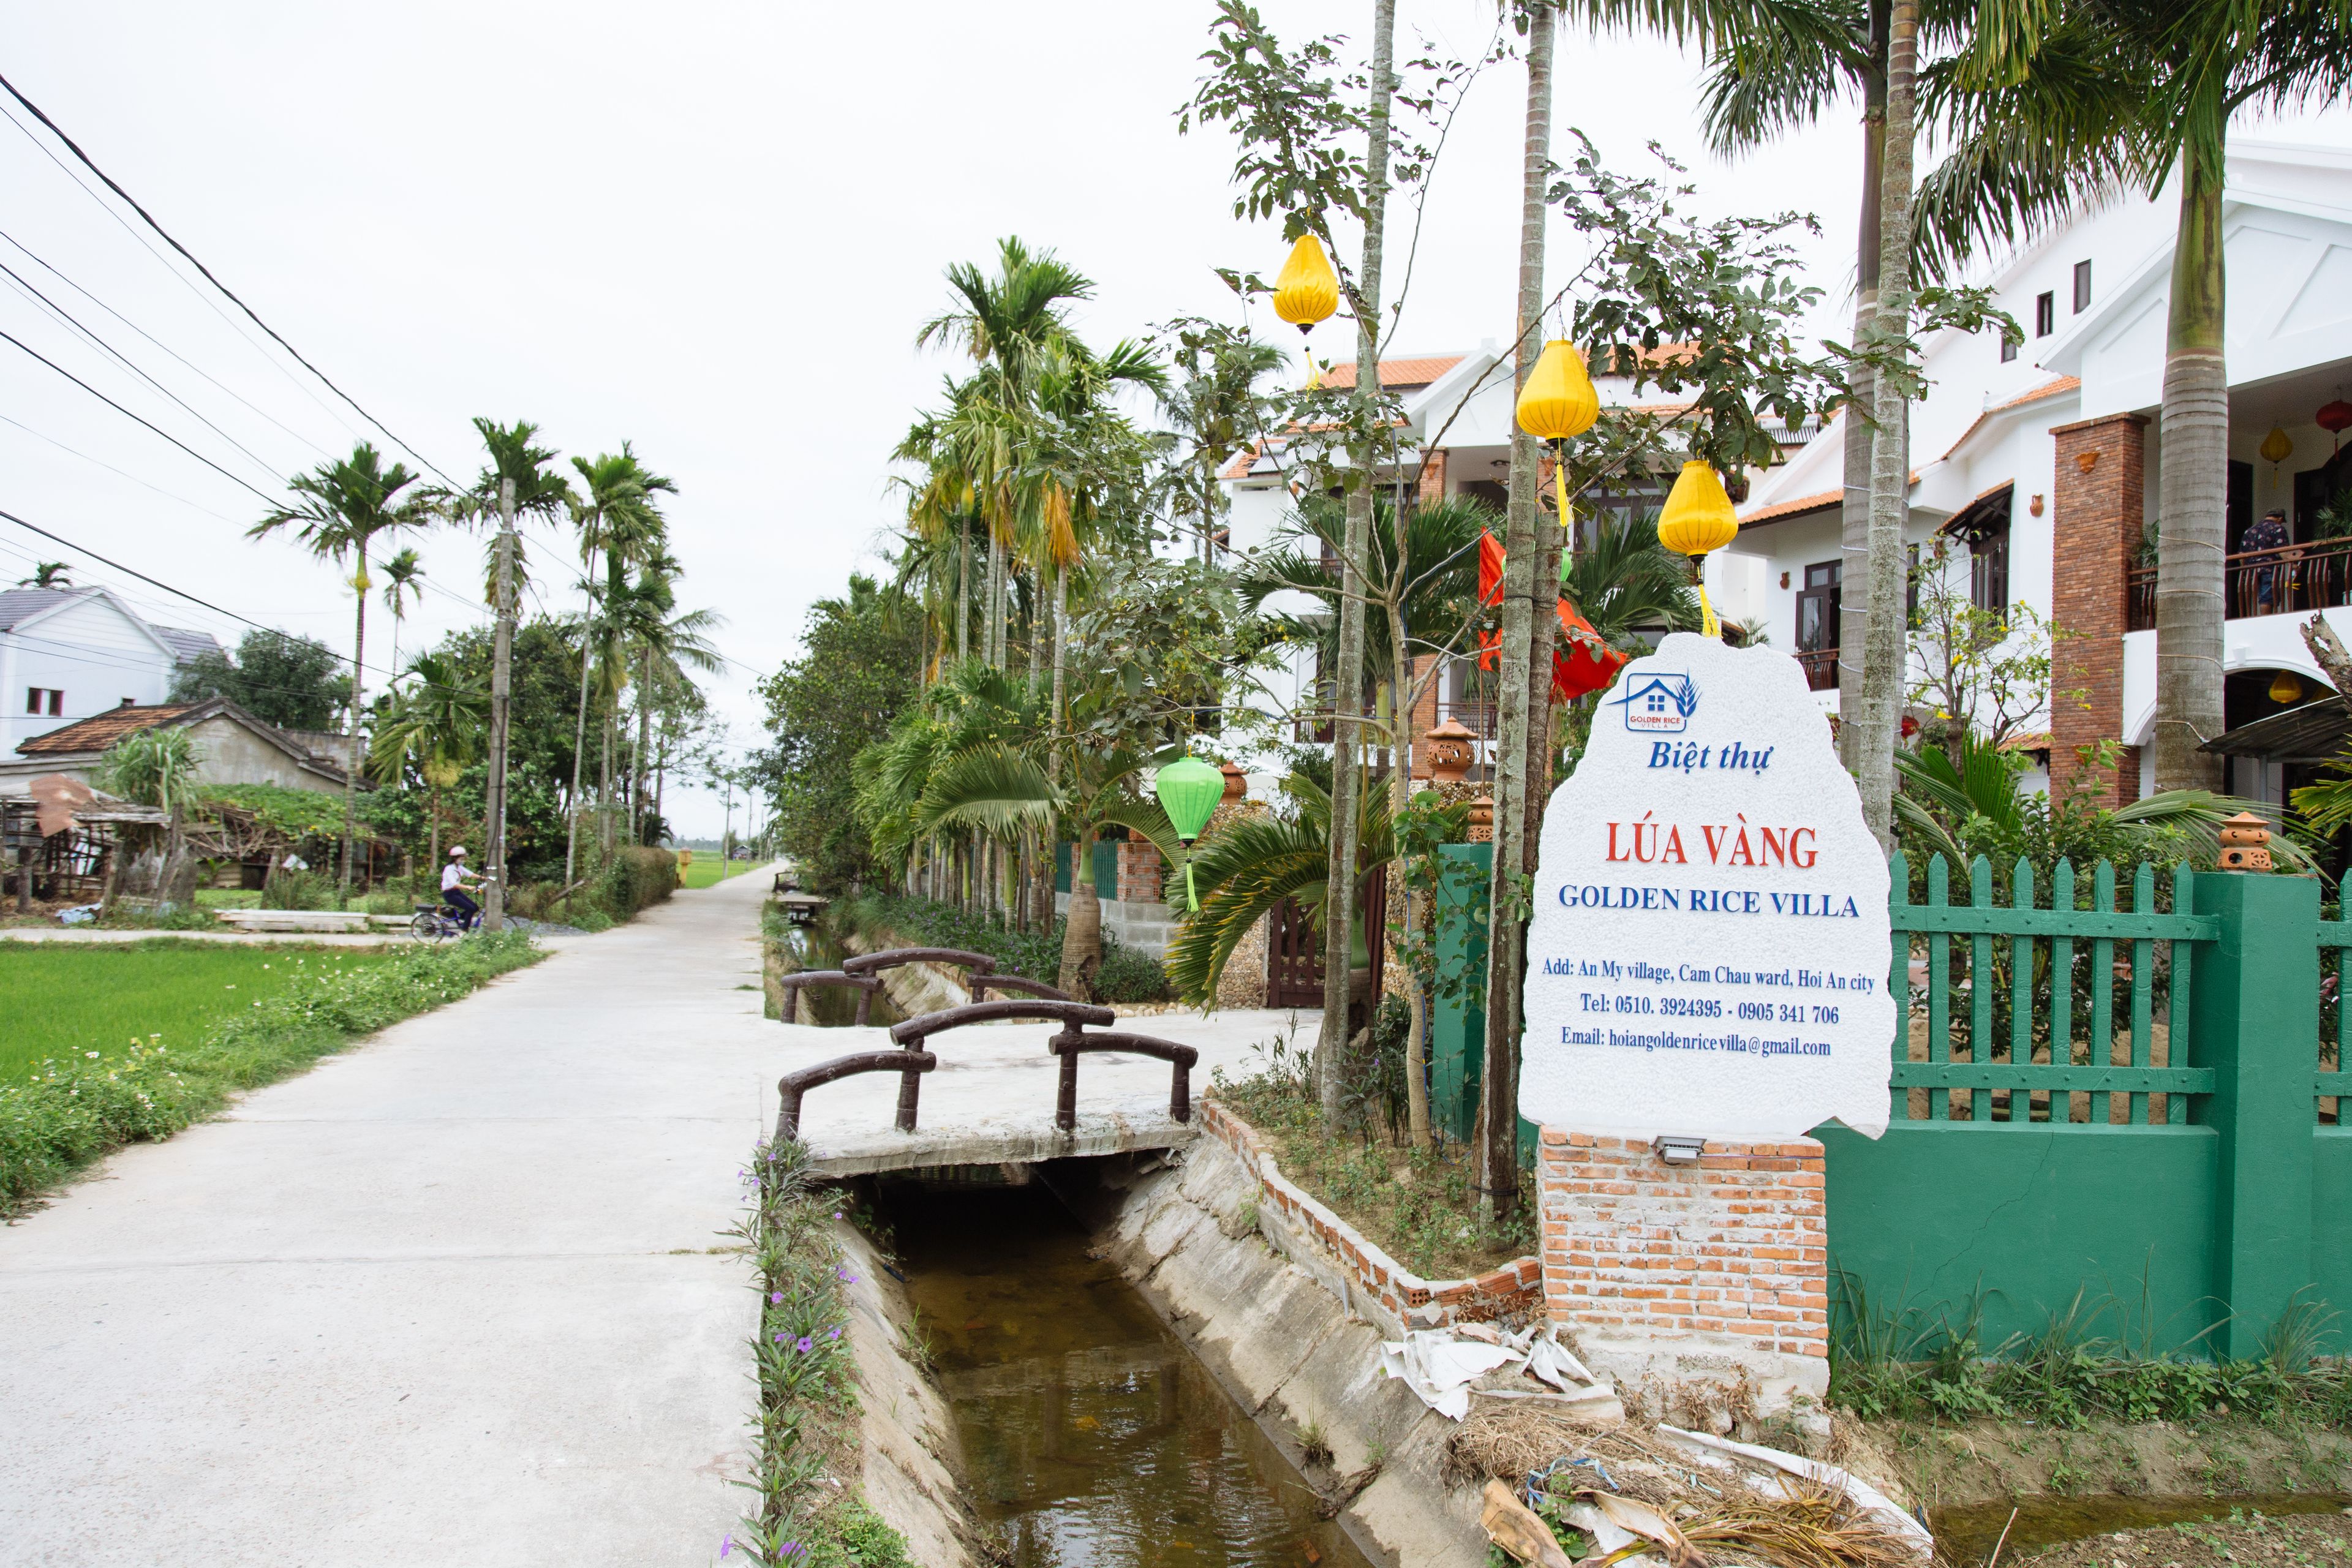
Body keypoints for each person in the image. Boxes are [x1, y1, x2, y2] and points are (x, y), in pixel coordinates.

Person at [2244, 507, 2292, 614]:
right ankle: (2266, 620)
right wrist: (2293, 565)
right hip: (2269, 569)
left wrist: (2245, 570)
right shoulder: (2277, 529)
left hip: (2252, 570)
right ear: (2280, 519)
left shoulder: (2250, 531)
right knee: (2267, 598)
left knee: (2261, 596)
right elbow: (2282, 551)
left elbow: (2242, 556)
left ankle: (2264, 619)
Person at [440, 845, 483, 931]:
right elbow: (454, 884)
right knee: (470, 909)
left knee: (475, 908)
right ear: (455, 858)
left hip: (456, 892)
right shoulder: (449, 869)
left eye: (464, 858)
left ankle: (460, 919)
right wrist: (468, 887)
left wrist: (484, 878)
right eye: (462, 858)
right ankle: (464, 931)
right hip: (449, 894)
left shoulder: (459, 867)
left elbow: (470, 874)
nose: (463, 860)